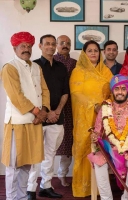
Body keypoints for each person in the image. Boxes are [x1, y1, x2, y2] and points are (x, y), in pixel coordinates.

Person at [1, 32, 50, 200]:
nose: (26, 49)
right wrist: (39, 113)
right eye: (23, 46)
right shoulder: (10, 67)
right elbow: (16, 96)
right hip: (18, 121)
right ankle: (11, 198)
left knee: (28, 164)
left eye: (29, 46)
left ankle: (22, 197)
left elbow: (45, 90)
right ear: (15, 48)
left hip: (34, 122)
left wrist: (44, 110)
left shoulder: (36, 67)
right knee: (14, 165)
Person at [89, 74, 128, 200]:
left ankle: (127, 198)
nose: (120, 92)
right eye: (117, 89)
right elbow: (97, 131)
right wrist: (95, 137)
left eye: (123, 89)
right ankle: (107, 199)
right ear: (113, 91)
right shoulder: (104, 108)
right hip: (109, 150)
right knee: (99, 163)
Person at [26, 34, 69, 199]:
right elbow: (30, 94)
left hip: (57, 117)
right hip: (38, 117)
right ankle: (30, 189)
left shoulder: (61, 67)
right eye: (47, 44)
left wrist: (57, 111)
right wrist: (45, 112)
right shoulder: (33, 66)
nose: (50, 47)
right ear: (40, 46)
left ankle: (46, 186)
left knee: (50, 154)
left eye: (53, 44)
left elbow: (65, 92)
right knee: (36, 154)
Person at [70, 40, 113, 197]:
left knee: (101, 150)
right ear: (84, 53)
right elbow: (76, 94)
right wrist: (93, 105)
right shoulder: (78, 71)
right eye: (90, 50)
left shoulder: (106, 71)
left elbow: (114, 89)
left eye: (96, 50)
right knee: (84, 147)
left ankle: (101, 188)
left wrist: (107, 106)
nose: (94, 53)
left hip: (104, 117)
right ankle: (83, 188)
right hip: (85, 117)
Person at [53, 35, 77, 187]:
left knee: (68, 142)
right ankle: (45, 178)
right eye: (62, 43)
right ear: (56, 45)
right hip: (54, 106)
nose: (65, 45)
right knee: (50, 143)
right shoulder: (51, 61)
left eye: (68, 43)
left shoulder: (75, 63)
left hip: (71, 107)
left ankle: (62, 174)